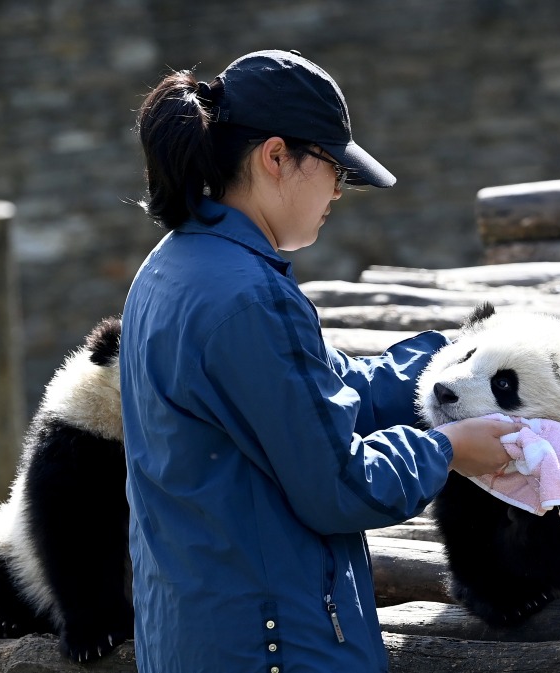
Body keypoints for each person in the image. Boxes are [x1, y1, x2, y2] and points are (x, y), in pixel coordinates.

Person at [120, 49, 518, 672]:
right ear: (276, 157)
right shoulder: (249, 297)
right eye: (334, 167)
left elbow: (321, 391)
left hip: (208, 632)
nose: (340, 188)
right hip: (274, 646)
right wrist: (451, 449)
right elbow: (339, 485)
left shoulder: (174, 266)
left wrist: (445, 359)